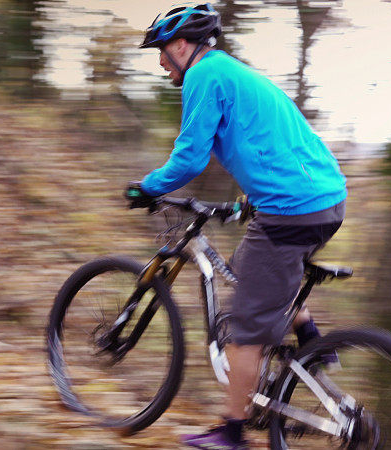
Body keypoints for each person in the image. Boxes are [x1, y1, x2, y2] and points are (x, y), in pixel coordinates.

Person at [129, 4, 347, 449]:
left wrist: (147, 188)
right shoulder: (232, 72)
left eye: (163, 52)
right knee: (250, 262)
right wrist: (246, 200)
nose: (161, 63)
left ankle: (231, 433)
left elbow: (189, 157)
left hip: (293, 207)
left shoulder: (203, 76)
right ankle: (309, 339)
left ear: (183, 45)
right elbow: (267, 138)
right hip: (321, 197)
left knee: (245, 326)